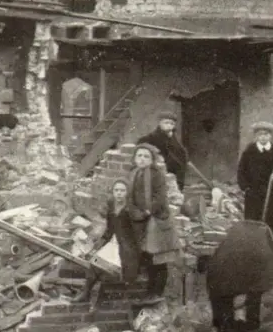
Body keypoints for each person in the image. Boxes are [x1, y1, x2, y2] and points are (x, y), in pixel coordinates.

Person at [127, 143, 181, 305]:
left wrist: (148, 210)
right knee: (147, 257)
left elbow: (160, 197)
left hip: (157, 220)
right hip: (142, 219)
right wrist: (134, 212)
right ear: (135, 158)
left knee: (158, 258)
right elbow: (131, 196)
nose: (142, 159)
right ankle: (149, 291)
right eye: (139, 156)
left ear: (152, 160)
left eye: (146, 156)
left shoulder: (156, 174)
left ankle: (157, 292)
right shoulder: (134, 173)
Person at [72, 179, 140, 302]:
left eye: (122, 190)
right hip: (113, 243)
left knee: (105, 268)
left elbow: (138, 234)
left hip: (127, 247)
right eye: (116, 190)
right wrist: (96, 246)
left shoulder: (132, 210)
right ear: (113, 192)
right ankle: (86, 293)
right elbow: (109, 231)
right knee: (94, 261)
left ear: (127, 193)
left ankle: (93, 296)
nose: (119, 193)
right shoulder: (111, 208)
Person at [237, 121, 273, 232]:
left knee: (271, 220)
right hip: (253, 191)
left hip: (271, 192)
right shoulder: (249, 151)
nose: (263, 137)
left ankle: (270, 240)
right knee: (253, 219)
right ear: (256, 136)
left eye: (266, 134)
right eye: (260, 135)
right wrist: (245, 187)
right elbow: (241, 170)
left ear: (270, 136)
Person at [137, 111, 188, 192]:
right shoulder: (150, 138)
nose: (169, 125)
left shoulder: (174, 140)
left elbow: (182, 155)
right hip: (158, 175)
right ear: (160, 123)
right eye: (166, 122)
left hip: (174, 177)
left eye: (171, 123)